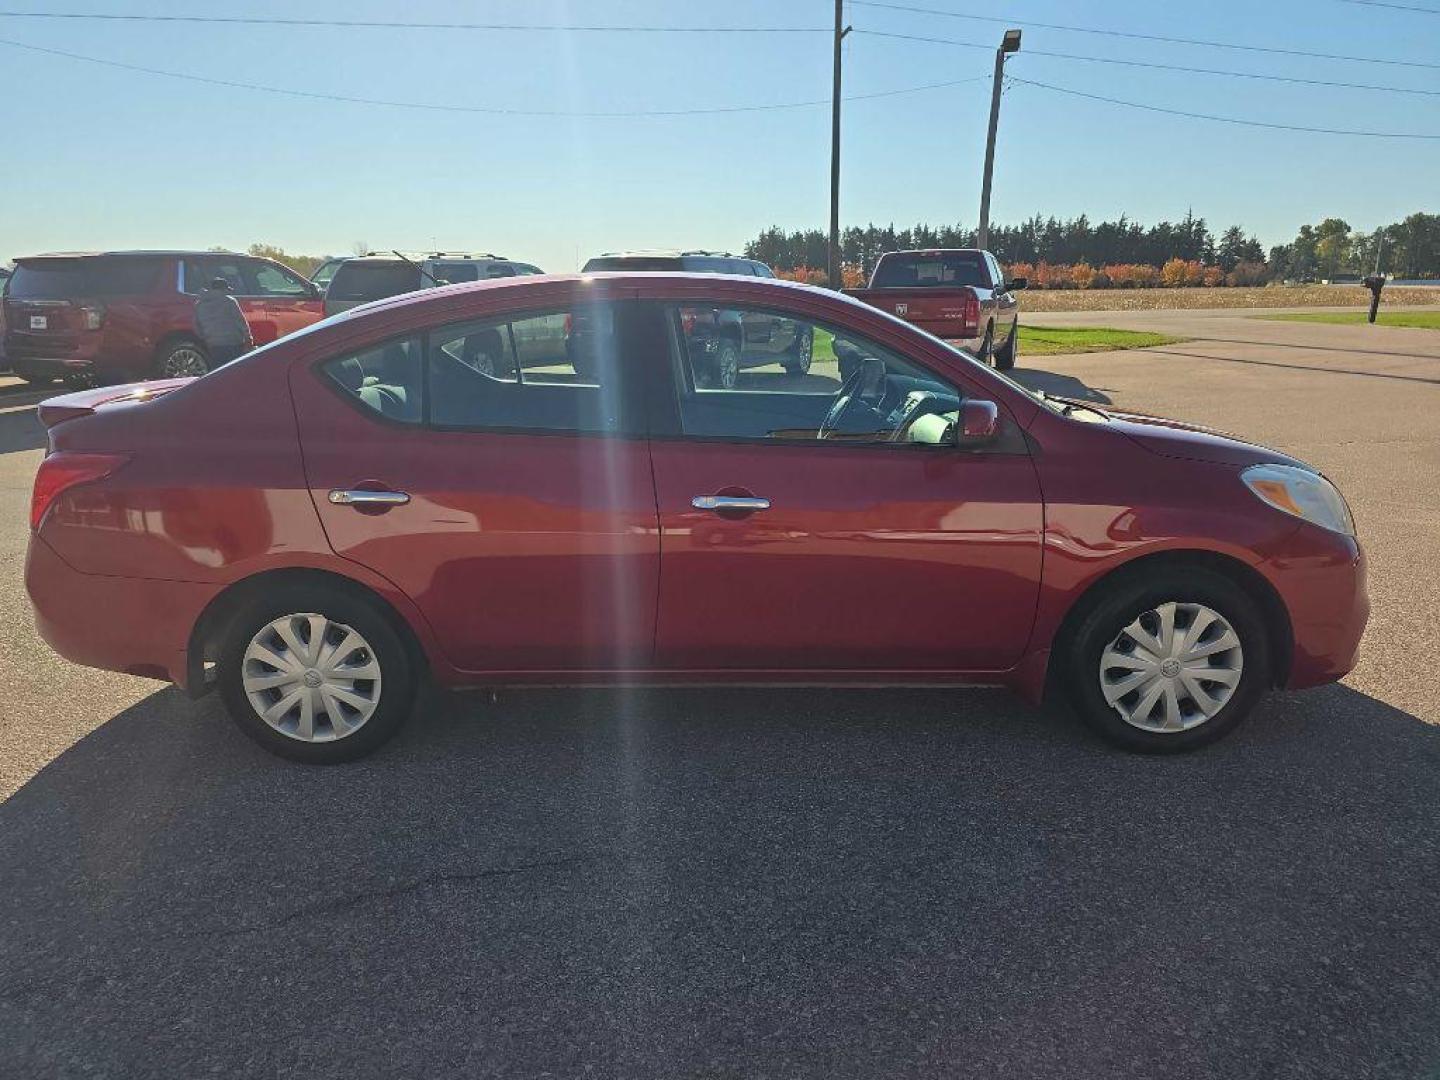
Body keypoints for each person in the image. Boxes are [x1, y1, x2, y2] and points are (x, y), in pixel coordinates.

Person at [193, 276, 253, 367]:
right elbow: (240, 321)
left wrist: (205, 339)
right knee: (235, 368)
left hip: (213, 344)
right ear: (223, 289)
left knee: (218, 369)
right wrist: (248, 338)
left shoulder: (199, 304)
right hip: (233, 343)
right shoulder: (229, 301)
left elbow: (196, 325)